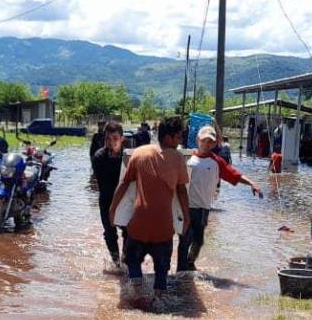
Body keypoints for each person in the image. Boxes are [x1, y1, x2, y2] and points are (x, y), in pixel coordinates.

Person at [109, 116, 190, 307]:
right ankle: (158, 300)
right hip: (163, 227)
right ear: (169, 138)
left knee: (132, 259)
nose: (180, 142)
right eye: (178, 137)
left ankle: (137, 292)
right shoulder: (178, 159)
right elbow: (181, 192)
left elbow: (124, 184)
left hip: (139, 224)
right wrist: (186, 218)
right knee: (162, 269)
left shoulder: (139, 153)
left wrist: (112, 210)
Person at [178, 125, 263, 273]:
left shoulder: (216, 162)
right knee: (184, 240)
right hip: (186, 207)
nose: (206, 144)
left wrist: (251, 183)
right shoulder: (187, 160)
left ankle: (190, 264)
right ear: (198, 140)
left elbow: (234, 175)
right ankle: (181, 271)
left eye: (210, 142)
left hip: (204, 208)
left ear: (215, 143)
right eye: (204, 141)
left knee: (198, 241)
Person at [91, 121, 126, 265]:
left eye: (115, 139)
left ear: (122, 138)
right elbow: (105, 183)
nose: (111, 142)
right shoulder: (99, 156)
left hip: (126, 200)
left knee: (130, 233)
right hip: (107, 199)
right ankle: (117, 263)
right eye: (108, 139)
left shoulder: (128, 156)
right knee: (110, 234)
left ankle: (125, 260)